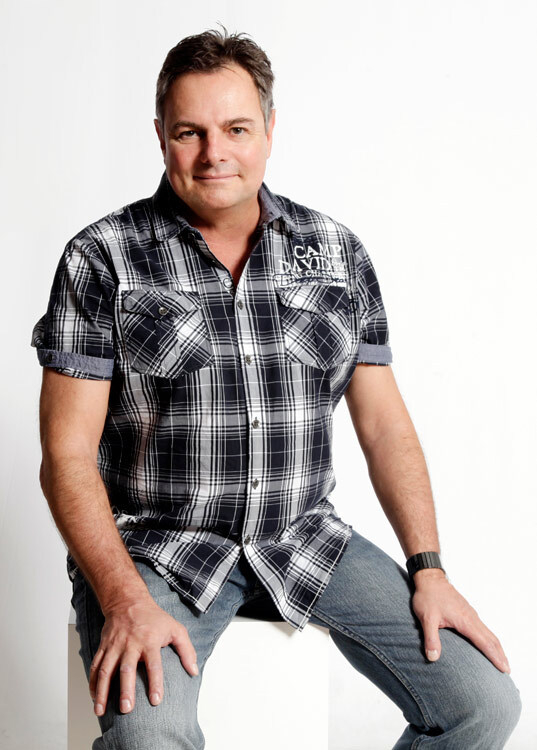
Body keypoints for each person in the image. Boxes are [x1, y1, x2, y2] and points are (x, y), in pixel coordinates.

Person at [32, 26, 521, 749]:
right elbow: (66, 455)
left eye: (235, 128)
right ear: (161, 136)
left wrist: (429, 569)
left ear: (268, 129)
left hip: (303, 538)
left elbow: (384, 425)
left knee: (483, 704)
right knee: (148, 738)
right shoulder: (102, 258)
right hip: (158, 549)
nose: (214, 153)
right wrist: (122, 596)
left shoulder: (336, 253)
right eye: (190, 132)